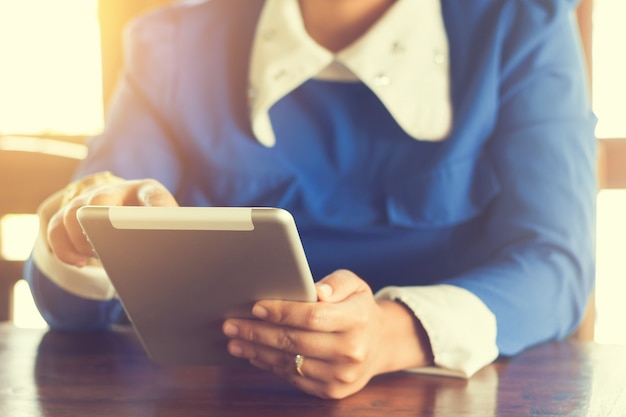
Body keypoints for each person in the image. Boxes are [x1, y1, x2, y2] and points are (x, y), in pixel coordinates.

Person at [24, 0, 597, 399]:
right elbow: (71, 305)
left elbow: (555, 266)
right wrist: (84, 236)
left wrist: (394, 332)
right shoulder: (170, 45)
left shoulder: (522, 28)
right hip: (205, 397)